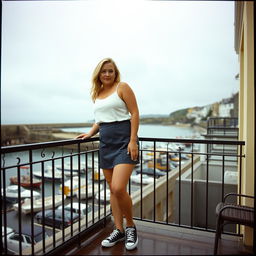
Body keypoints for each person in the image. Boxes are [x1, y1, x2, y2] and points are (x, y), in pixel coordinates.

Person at [76, 58, 139, 250]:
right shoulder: (98, 93)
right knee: (112, 190)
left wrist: (133, 140)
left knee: (119, 188)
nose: (107, 74)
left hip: (124, 143)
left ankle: (131, 227)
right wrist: (90, 133)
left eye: (111, 71)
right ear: (98, 74)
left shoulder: (123, 87)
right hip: (106, 144)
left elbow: (135, 113)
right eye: (104, 71)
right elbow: (100, 120)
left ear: (115, 72)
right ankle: (118, 230)